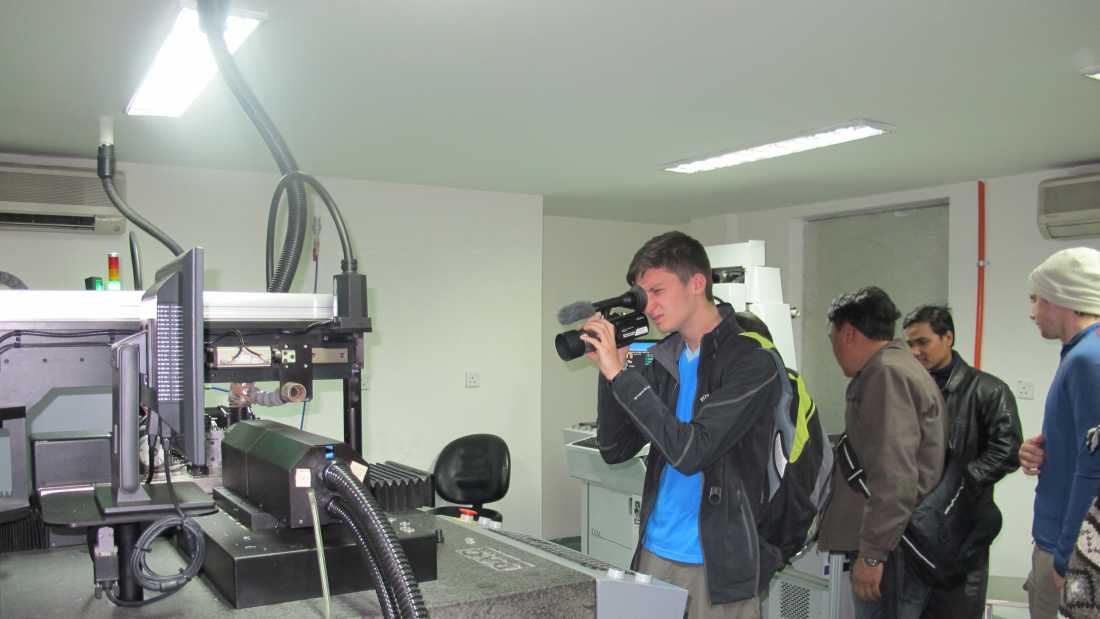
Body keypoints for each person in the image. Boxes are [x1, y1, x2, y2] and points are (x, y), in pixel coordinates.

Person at [582, 231, 785, 618]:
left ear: (697, 283)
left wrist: (620, 377)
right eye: (644, 297)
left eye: (658, 291)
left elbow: (692, 452)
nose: (650, 307)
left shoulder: (751, 360)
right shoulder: (665, 358)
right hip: (655, 550)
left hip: (716, 564)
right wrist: (611, 370)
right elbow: (613, 448)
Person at [817, 286, 945, 619]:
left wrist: (873, 555)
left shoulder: (885, 374)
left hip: (893, 549)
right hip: (896, 541)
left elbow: (894, 473)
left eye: (832, 337)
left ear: (848, 333)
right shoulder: (897, 367)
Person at [902, 304, 1022, 619]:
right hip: (913, 528)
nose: (915, 351)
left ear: (948, 337)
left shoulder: (988, 390)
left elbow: (1007, 449)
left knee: (956, 610)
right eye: (910, 344)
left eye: (923, 342)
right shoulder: (907, 390)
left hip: (962, 528)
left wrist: (959, 484)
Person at [1016, 247, 1100, 619]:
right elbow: (1082, 448)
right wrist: (1045, 450)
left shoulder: (1089, 359)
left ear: (1061, 299)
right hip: (1061, 540)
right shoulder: (1078, 353)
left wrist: (1066, 558)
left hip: (1070, 549)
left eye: (1036, 299)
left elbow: (1093, 469)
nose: (1032, 312)